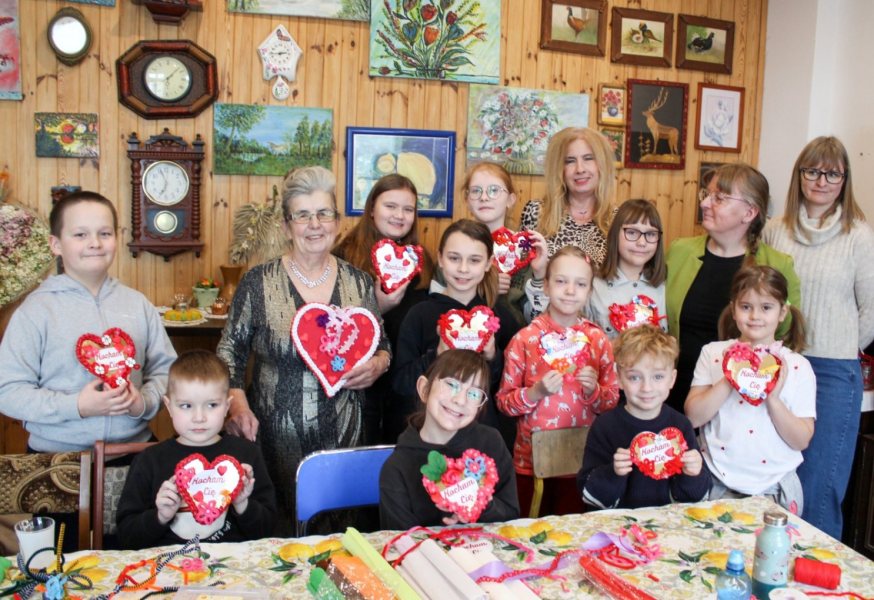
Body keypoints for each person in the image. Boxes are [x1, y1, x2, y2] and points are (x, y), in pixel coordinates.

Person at [216, 166, 390, 535]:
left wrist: (379, 363)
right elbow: (229, 351)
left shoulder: (359, 282)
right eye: (303, 215)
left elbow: (382, 343)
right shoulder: (257, 282)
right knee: (278, 538)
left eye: (324, 213)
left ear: (337, 222)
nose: (315, 225)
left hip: (344, 437)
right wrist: (237, 405)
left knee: (341, 540)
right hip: (272, 440)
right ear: (286, 225)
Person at [0, 191, 176, 452]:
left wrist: (144, 402)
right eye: (80, 235)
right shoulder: (35, 311)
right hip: (57, 456)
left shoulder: (138, 304)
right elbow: (8, 391)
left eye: (104, 233)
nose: (95, 243)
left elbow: (167, 371)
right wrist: (77, 406)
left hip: (135, 450)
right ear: (56, 244)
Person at [762, 136, 874, 537]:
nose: (821, 181)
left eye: (833, 174)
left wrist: (840, 345)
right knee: (772, 480)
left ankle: (816, 572)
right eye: (812, 171)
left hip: (832, 372)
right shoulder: (775, 231)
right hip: (779, 367)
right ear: (799, 175)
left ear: (845, 180)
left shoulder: (859, 236)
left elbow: (871, 309)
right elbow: (761, 295)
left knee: (819, 488)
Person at [665, 163, 800, 412]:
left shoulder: (777, 264)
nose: (704, 203)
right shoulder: (679, 252)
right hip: (675, 392)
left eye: (719, 198)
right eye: (706, 194)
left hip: (743, 402)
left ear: (749, 212)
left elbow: (787, 334)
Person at [497, 246, 619, 515]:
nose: (570, 290)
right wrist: (535, 392)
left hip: (581, 459)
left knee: (572, 529)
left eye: (580, 284)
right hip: (531, 462)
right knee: (529, 528)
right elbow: (504, 403)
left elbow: (611, 401)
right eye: (561, 281)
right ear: (546, 286)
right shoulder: (525, 339)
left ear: (590, 291)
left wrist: (594, 391)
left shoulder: (597, 340)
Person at [116, 350, 276, 549]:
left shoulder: (247, 455)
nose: (199, 417)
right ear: (169, 406)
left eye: (212, 405)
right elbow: (126, 537)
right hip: (168, 564)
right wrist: (159, 516)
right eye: (186, 406)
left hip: (234, 564)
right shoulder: (149, 460)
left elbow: (269, 532)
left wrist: (243, 505)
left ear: (227, 406)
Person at [685, 266, 814, 513]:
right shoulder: (713, 353)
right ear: (733, 309)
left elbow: (801, 440)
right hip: (717, 481)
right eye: (746, 307)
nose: (755, 316)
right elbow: (693, 417)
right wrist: (731, 375)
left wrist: (773, 398)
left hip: (775, 488)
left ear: (782, 312)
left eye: (766, 307)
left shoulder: (798, 366)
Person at [393, 219, 518, 441]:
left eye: (474, 260)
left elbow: (510, 393)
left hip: (482, 437)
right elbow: (401, 384)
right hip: (430, 436)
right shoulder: (419, 315)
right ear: (440, 259)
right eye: (454, 258)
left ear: (489, 263)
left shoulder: (501, 318)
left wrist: (493, 357)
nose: (463, 269)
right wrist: (437, 353)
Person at [332, 174, 434, 444]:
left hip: (405, 383)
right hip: (360, 383)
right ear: (372, 209)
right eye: (390, 206)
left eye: (408, 209)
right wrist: (378, 307)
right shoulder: (344, 256)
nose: (399, 215)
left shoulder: (420, 258)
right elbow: (333, 327)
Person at [379, 349, 519, 530]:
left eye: (473, 394)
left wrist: (481, 505)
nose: (460, 400)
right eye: (452, 384)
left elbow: (512, 516)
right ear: (424, 389)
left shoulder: (491, 442)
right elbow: (400, 540)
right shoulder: (397, 468)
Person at [577, 326, 710, 509]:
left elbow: (696, 498)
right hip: (619, 523)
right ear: (619, 379)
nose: (647, 388)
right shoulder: (605, 427)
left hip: (668, 522)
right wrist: (613, 472)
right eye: (634, 378)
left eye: (658, 377)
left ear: (672, 379)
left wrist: (693, 474)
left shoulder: (681, 425)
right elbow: (590, 496)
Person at [519, 127, 615, 263]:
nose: (580, 169)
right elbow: (520, 269)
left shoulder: (617, 219)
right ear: (558, 168)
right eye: (570, 161)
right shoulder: (536, 212)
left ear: (602, 165)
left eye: (588, 158)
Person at [589, 199, 667, 340]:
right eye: (632, 232)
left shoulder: (665, 287)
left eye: (650, 234)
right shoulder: (593, 288)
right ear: (615, 235)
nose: (641, 242)